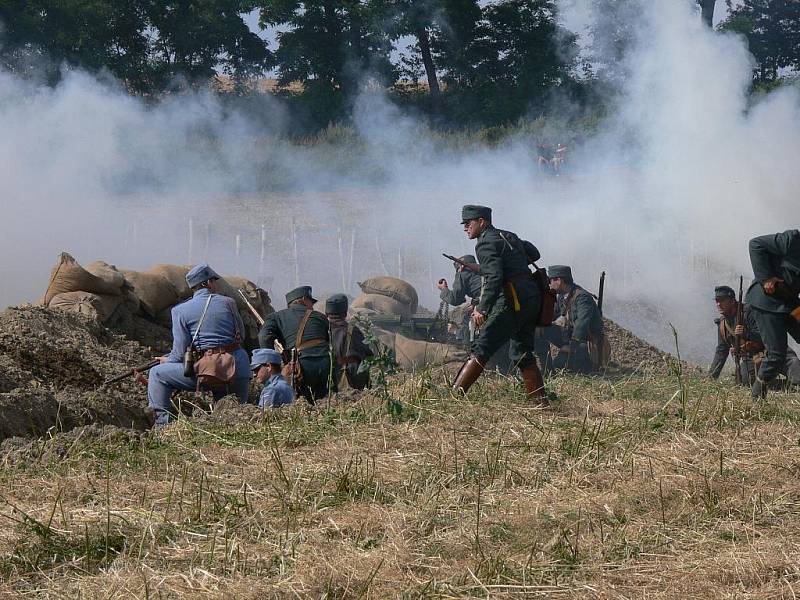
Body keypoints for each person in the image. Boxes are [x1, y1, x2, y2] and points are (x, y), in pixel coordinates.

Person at [452, 205, 546, 402]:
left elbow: (494, 277)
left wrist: (481, 309)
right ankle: (539, 402)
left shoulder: (484, 243)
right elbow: (534, 254)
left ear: (482, 222)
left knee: (482, 347)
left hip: (513, 301)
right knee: (521, 352)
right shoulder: (508, 236)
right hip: (531, 298)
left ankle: (453, 397)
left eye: (468, 223)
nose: (465, 228)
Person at [146, 263, 250, 427]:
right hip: (238, 369)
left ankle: (162, 427)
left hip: (208, 372)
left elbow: (180, 354)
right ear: (208, 283)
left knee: (156, 374)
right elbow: (241, 336)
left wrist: (167, 360)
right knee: (235, 421)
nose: (215, 285)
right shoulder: (229, 302)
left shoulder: (180, 311)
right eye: (214, 281)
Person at [746, 230, 800, 399]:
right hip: (766, 301)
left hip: (789, 303)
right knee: (776, 354)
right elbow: (755, 244)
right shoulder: (792, 239)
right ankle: (757, 395)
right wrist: (766, 278)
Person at [258, 285, 333, 403]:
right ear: (303, 299)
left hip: (299, 366)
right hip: (326, 364)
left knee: (298, 403)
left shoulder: (276, 317)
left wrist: (272, 364)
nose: (312, 306)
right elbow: (330, 341)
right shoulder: (321, 317)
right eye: (310, 301)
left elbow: (264, 337)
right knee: (324, 403)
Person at [534, 265, 603, 374]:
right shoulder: (563, 296)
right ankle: (546, 368)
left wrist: (571, 346)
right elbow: (553, 314)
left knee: (560, 365)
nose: (549, 284)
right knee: (538, 330)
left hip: (584, 343)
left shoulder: (582, 298)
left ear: (559, 281)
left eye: (551, 281)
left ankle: (584, 366)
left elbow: (582, 324)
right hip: (570, 338)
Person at [325, 294, 373, 390]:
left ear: (326, 313)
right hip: (349, 380)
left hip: (325, 378)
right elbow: (368, 355)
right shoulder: (352, 331)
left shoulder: (321, 331)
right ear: (345, 313)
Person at [437, 254, 482, 344]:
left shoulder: (462, 274)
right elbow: (481, 290)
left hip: (487, 304)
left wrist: (443, 289)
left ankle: (467, 347)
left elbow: (455, 299)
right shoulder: (482, 271)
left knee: (466, 319)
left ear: (461, 266)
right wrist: (474, 302)